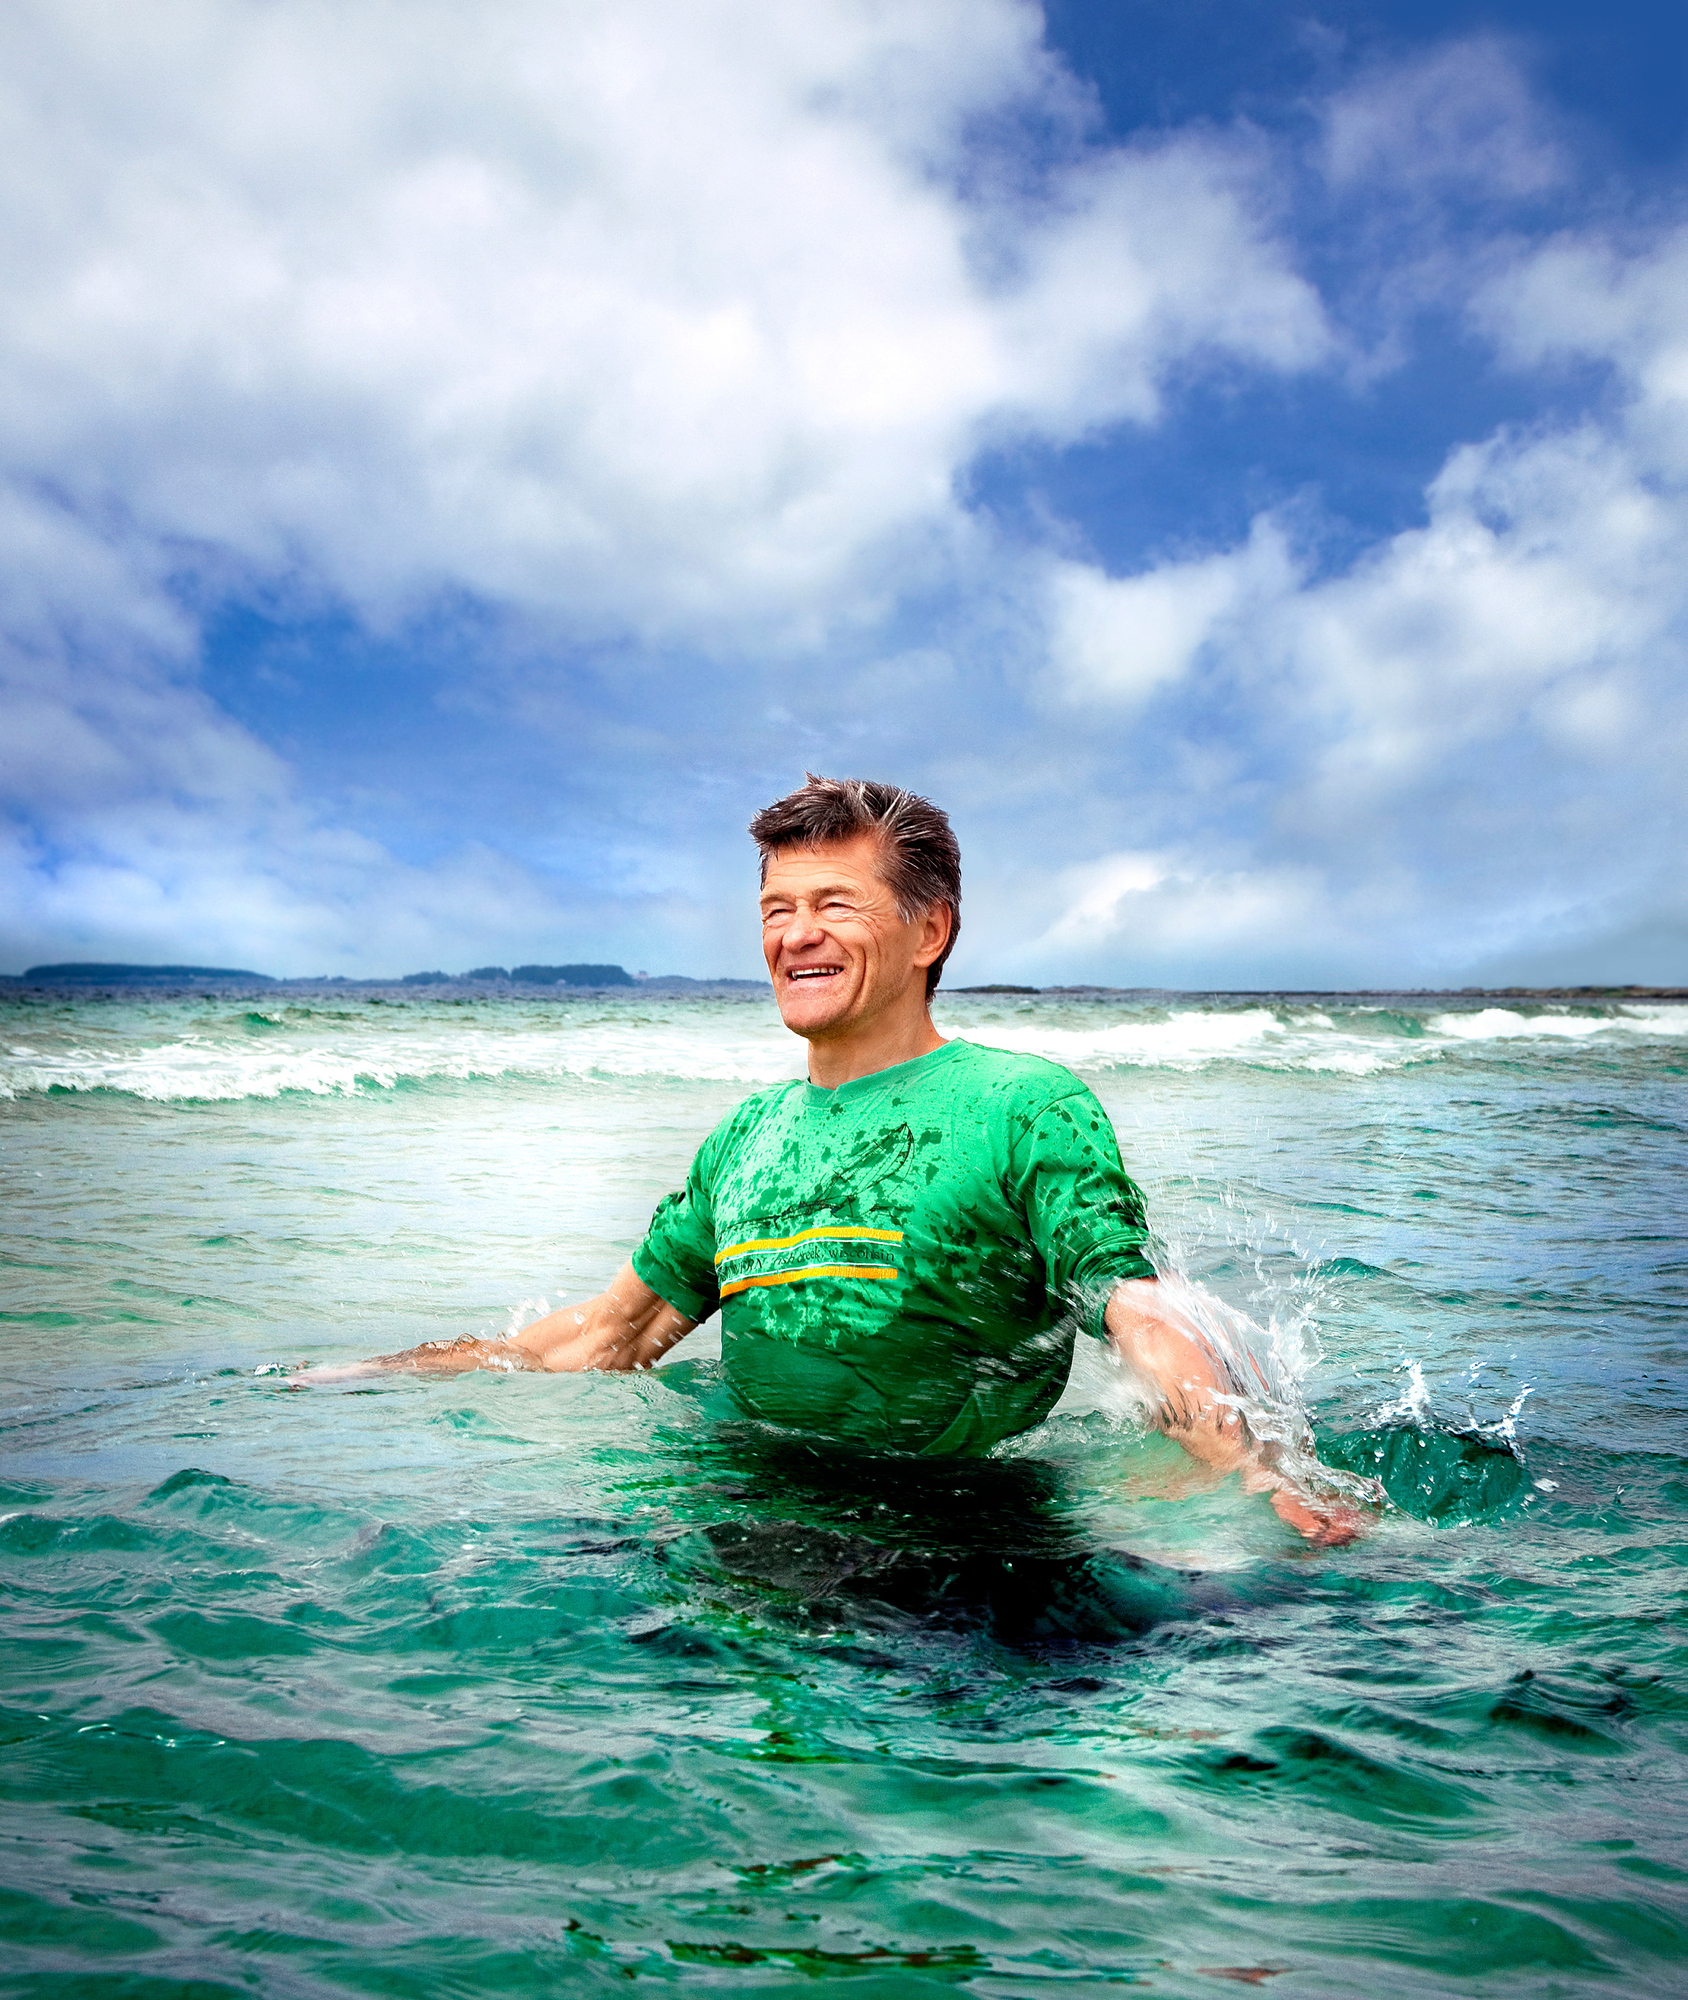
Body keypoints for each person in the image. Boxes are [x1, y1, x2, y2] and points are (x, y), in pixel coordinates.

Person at [302, 775, 1361, 1545]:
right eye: (775, 909)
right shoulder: (742, 1138)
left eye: (831, 904)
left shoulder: (1023, 1105)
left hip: (965, 1538)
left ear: (928, 928)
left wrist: (1249, 1469)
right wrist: (377, 1373)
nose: (793, 935)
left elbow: (1136, 1307)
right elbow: (606, 1333)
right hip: (748, 1516)